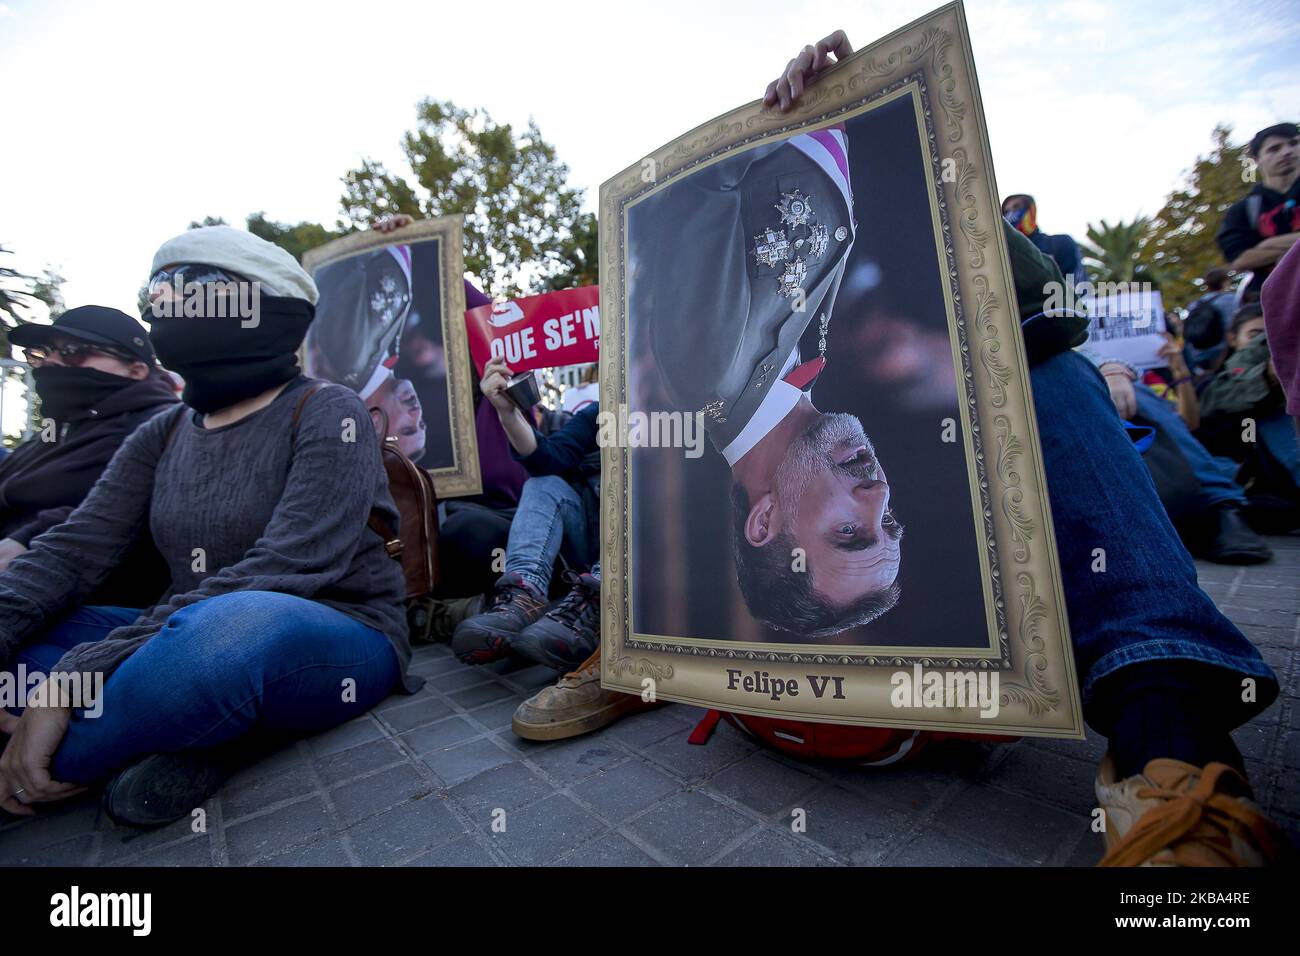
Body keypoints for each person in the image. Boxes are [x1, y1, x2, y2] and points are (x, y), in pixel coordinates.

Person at [752, 30, 1288, 866]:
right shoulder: (890, 431)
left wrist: (864, 121)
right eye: (886, 530)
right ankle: (1166, 742)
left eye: (850, 533)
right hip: (1054, 484)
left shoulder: (719, 369)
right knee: (1049, 367)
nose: (877, 501)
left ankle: (1174, 701)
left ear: (763, 525)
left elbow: (1038, 306)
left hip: (1068, 440)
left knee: (1042, 358)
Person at [0, 226, 415, 827]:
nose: (166, 305)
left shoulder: (328, 410)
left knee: (227, 635)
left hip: (331, 628)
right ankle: (178, 735)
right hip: (176, 627)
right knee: (40, 635)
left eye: (195, 287)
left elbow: (289, 566)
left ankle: (36, 763)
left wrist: (72, 680)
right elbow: (71, 551)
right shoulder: (162, 432)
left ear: (266, 309)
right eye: (158, 291)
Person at [0, 306, 178, 609]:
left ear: (136, 370)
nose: (53, 361)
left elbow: (117, 511)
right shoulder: (62, 430)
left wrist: (26, 538)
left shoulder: (158, 427)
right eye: (42, 353)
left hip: (80, 602)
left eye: (73, 351)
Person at [452, 356, 605, 671]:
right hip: (591, 543)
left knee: (646, 481)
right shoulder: (600, 414)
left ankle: (601, 605)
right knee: (544, 483)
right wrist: (506, 411)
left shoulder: (693, 411)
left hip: (648, 558)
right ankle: (524, 598)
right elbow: (544, 458)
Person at [1216, 122, 1300, 296]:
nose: (1286, 152)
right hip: (1273, 302)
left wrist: (1267, 245)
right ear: (1256, 159)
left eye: (1293, 143)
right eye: (1274, 149)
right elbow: (1239, 260)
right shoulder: (1243, 210)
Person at [1000, 193, 1087, 288]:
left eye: (1016, 207)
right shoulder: (1004, 256)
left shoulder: (1061, 243)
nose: (1011, 214)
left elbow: (1076, 287)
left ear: (1031, 209)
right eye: (1006, 212)